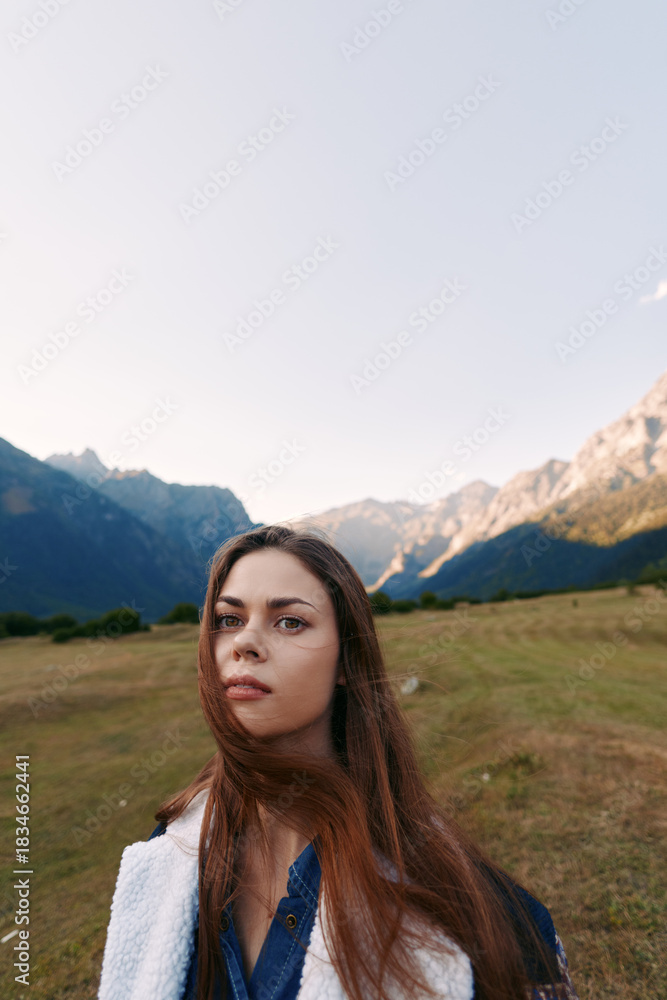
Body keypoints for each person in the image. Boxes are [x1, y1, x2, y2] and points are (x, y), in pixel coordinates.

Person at [97, 523, 579, 1000]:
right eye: (228, 619)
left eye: (289, 621)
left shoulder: (488, 921)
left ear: (347, 661)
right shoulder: (167, 852)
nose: (245, 642)